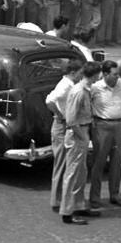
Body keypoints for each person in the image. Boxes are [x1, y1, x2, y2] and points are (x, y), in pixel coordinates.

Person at [59, 61, 102, 224]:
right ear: (95, 75)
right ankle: (67, 211)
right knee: (72, 174)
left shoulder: (84, 90)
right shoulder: (78, 92)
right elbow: (71, 119)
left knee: (81, 173)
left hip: (83, 131)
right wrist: (82, 137)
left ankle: (78, 205)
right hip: (77, 134)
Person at [88, 59, 121, 207]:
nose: (117, 77)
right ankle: (95, 198)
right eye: (114, 74)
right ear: (105, 74)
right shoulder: (95, 88)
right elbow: (87, 105)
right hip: (101, 126)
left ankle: (115, 194)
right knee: (99, 162)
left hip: (119, 125)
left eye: (118, 74)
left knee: (116, 162)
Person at [46, 58, 83, 213]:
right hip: (61, 126)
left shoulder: (69, 84)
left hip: (63, 125)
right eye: (80, 73)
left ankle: (59, 199)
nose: (81, 76)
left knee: (64, 163)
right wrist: (60, 114)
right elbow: (49, 100)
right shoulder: (65, 86)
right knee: (61, 164)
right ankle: (57, 200)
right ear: (73, 72)